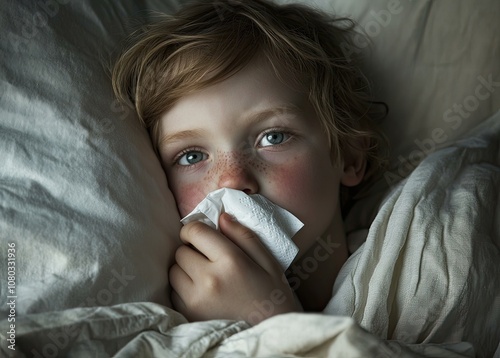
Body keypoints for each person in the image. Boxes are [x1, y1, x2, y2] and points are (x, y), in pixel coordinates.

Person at [112, 0, 387, 325]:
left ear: (350, 156)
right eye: (192, 156)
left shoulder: (415, 258)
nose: (230, 180)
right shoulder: (168, 324)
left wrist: (270, 322)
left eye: (273, 137)